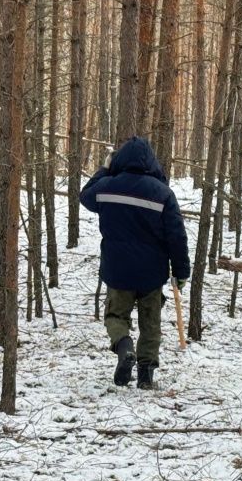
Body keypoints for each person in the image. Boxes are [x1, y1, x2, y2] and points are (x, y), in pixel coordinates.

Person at [80, 136, 191, 389]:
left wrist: (105, 169)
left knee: (116, 315)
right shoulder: (163, 194)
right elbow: (176, 236)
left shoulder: (107, 187)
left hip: (117, 269)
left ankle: (124, 346)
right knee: (151, 323)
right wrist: (181, 271)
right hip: (152, 273)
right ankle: (145, 374)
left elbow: (85, 196)